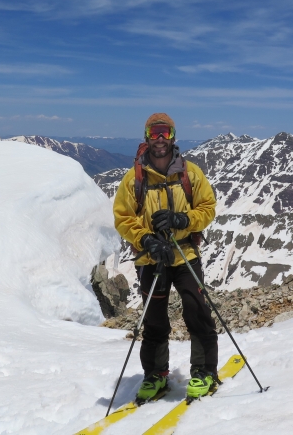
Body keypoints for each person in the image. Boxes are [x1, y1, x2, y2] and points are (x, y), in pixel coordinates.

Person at [113, 113, 219, 400]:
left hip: (185, 254)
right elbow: (123, 217)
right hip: (151, 259)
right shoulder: (134, 178)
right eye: (154, 132)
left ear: (174, 136)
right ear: (146, 136)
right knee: (154, 320)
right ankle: (155, 374)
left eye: (166, 133)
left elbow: (208, 207)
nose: (160, 139)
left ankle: (205, 371)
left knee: (197, 311)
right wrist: (145, 238)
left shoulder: (190, 173)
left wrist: (184, 220)